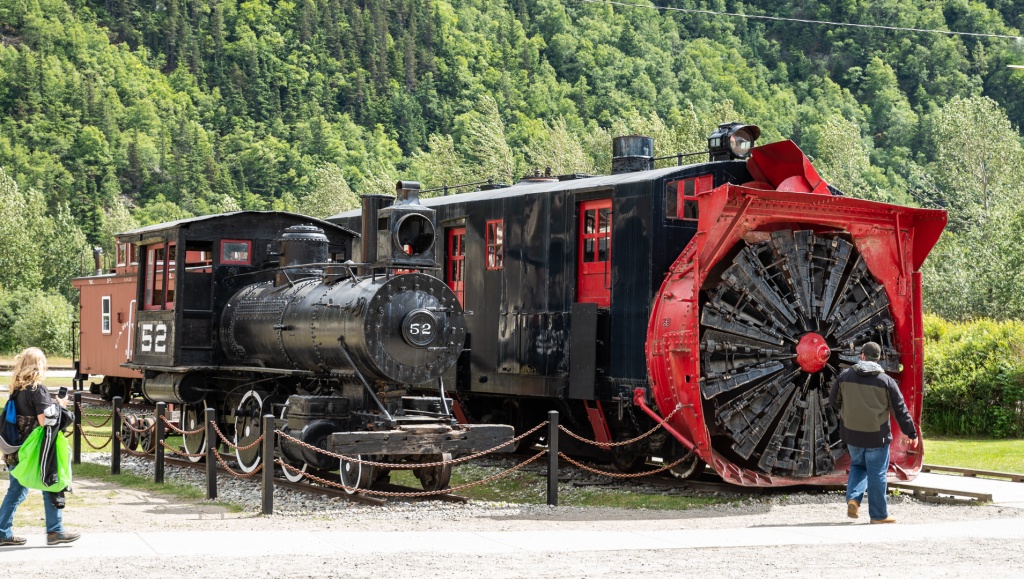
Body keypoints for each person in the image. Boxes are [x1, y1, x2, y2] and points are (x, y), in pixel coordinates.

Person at [829, 341, 920, 524]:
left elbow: (833, 400)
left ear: (862, 355)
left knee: (857, 466)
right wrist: (912, 434)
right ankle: (878, 515)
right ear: (879, 359)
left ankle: (854, 499)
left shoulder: (845, 377)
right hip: (877, 436)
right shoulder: (886, 382)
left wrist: (848, 414)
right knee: (877, 472)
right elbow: (900, 411)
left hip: (852, 434)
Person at [0, 348, 80, 546]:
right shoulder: (38, 390)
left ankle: (3, 532)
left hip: (16, 448)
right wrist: (61, 405)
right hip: (36, 450)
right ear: (40, 365)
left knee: (17, 490)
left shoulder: (16, 391)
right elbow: (46, 422)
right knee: (51, 484)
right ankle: (54, 531)